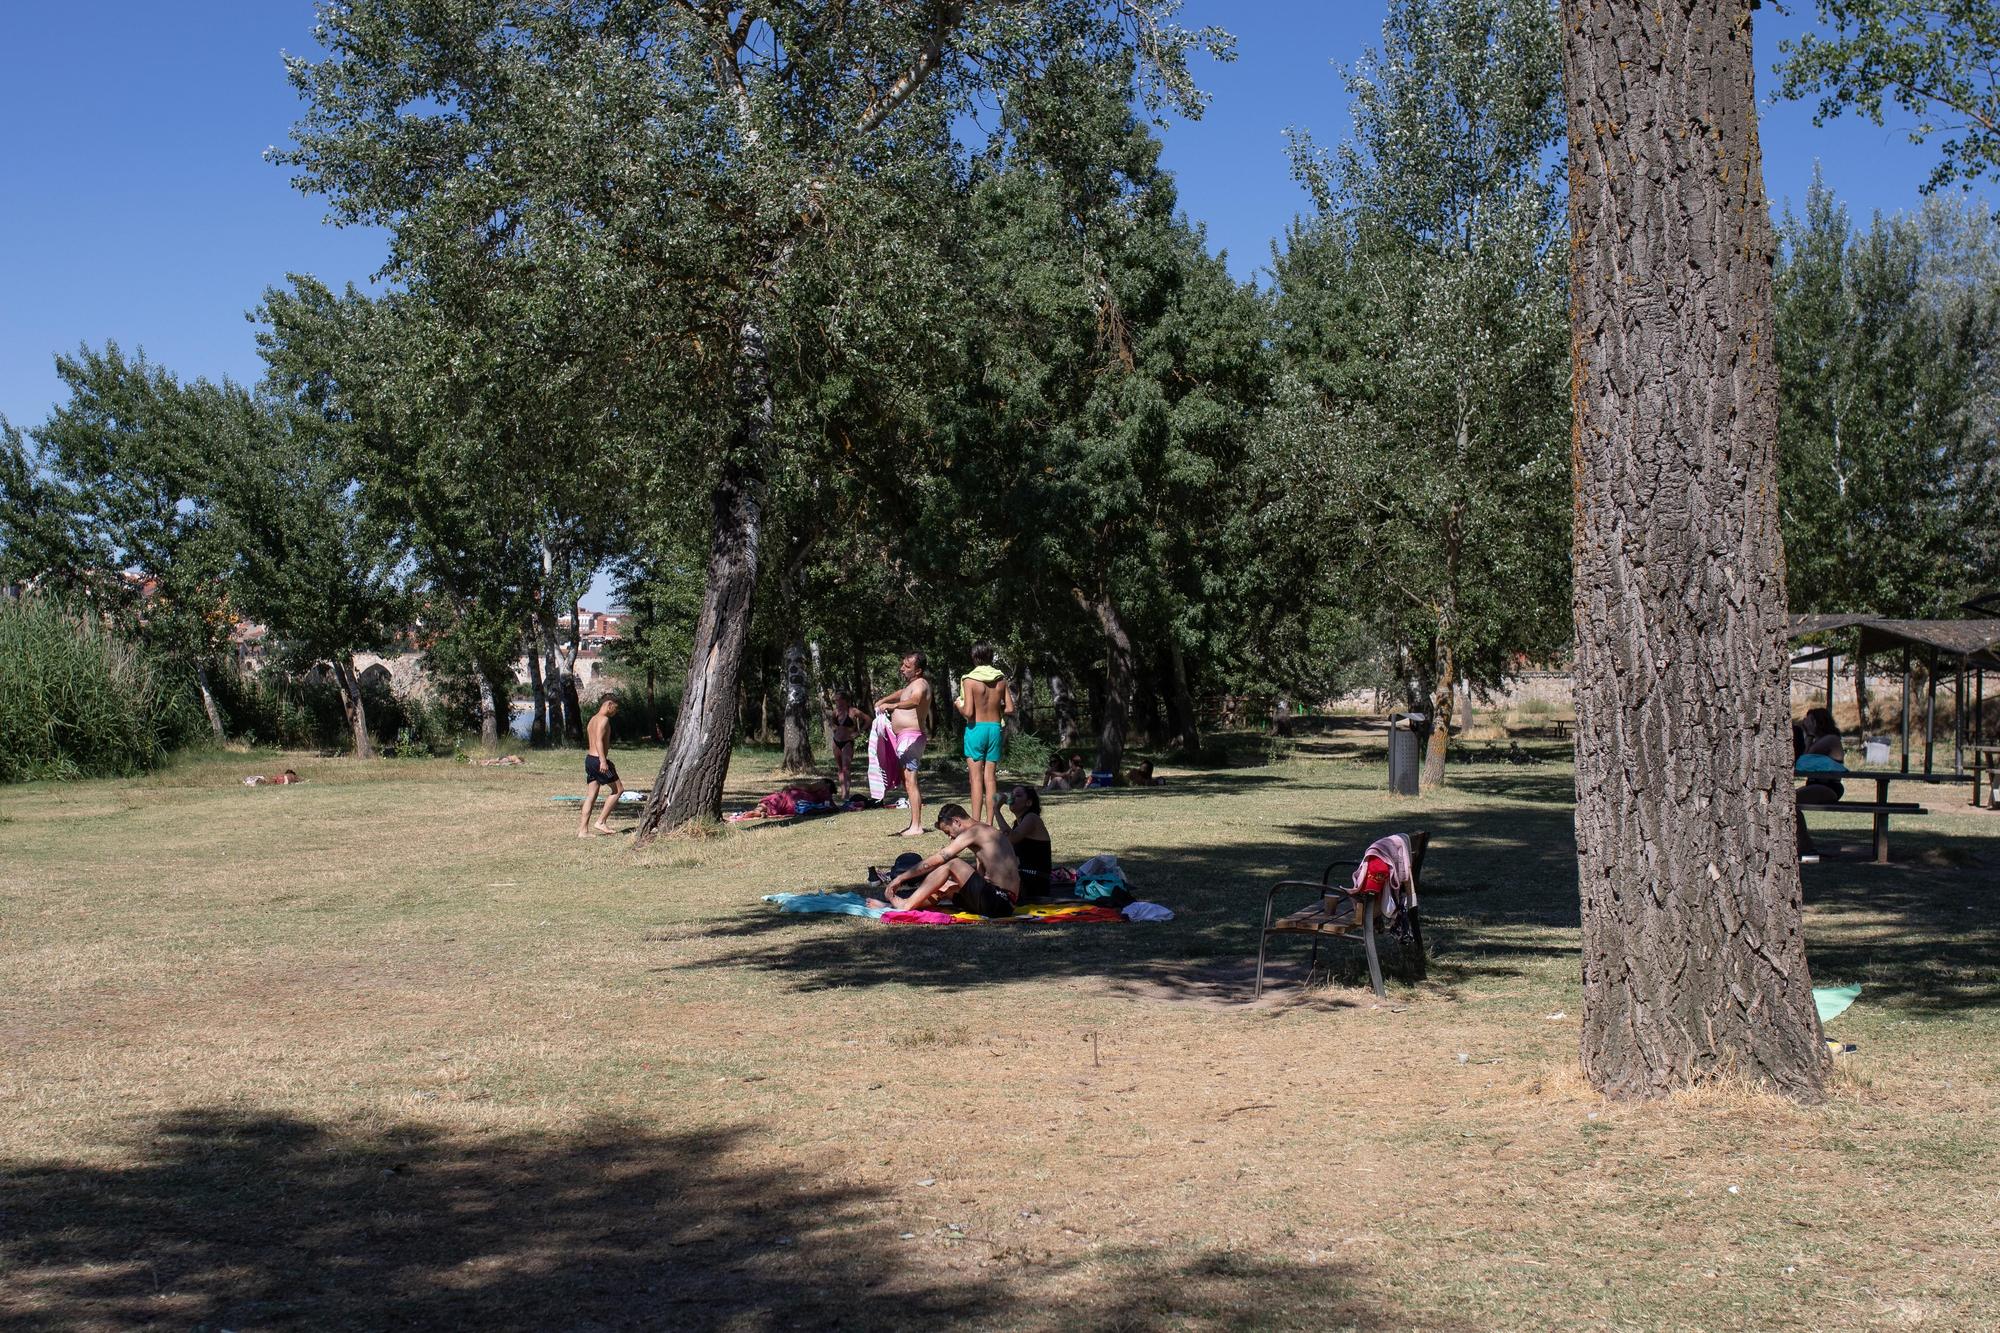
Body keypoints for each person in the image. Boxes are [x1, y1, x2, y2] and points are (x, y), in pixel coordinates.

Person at [871, 803, 1020, 917]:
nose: (950, 837)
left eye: (948, 832)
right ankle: (897, 905)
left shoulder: (975, 831)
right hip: (1001, 902)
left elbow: (940, 858)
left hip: (1000, 901)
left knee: (951, 863)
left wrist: (901, 878)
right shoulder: (984, 833)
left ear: (957, 821)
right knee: (944, 887)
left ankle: (905, 906)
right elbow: (982, 873)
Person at [872, 652, 932, 836]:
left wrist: (893, 706)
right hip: (904, 737)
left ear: (918, 670)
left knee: (910, 780)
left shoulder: (921, 684)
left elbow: (914, 700)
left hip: (912, 737)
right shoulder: (912, 684)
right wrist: (885, 700)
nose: (902, 669)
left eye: (907, 667)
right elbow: (903, 693)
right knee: (907, 781)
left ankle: (917, 826)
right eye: (903, 665)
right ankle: (914, 823)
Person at [956, 642, 1014, 824]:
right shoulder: (1001, 679)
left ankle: (975, 822)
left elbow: (968, 712)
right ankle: (990, 822)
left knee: (975, 779)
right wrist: (996, 707)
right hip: (995, 728)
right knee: (990, 779)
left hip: (976, 728)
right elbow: (1010, 708)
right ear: (991, 656)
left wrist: (958, 703)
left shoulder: (969, 680)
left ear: (974, 657)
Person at [1794, 706, 1845, 864]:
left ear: (1818, 722)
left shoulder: (1830, 740)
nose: (1805, 722)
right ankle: (1804, 847)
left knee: (1788, 803)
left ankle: (1808, 850)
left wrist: (1808, 734)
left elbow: (1803, 761)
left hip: (1828, 788)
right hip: (1815, 786)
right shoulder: (1820, 740)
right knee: (1787, 802)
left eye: (1809, 720)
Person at [997, 783, 1053, 901]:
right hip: (1024, 877)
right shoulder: (1018, 824)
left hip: (1035, 881)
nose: (1012, 798)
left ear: (1028, 802)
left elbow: (1012, 838)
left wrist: (996, 810)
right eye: (1011, 795)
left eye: (1017, 795)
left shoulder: (1032, 818)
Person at [579, 695, 624, 838]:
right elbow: (598, 741)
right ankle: (601, 821)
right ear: (609, 704)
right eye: (615, 709)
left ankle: (583, 831)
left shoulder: (592, 719)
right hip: (598, 760)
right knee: (618, 790)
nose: (615, 712)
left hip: (590, 759)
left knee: (591, 796)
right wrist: (603, 761)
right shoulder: (604, 720)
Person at [827, 690, 863, 802]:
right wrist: (834, 728)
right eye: (835, 700)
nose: (836, 702)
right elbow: (832, 722)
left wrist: (858, 732)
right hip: (836, 741)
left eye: (838, 699)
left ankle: (846, 793)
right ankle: (842, 793)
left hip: (847, 741)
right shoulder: (835, 712)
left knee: (846, 768)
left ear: (844, 700)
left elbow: (868, 720)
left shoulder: (853, 711)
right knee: (840, 768)